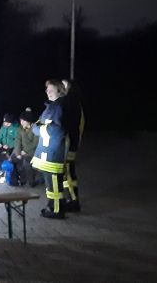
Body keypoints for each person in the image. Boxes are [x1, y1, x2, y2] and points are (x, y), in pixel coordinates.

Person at [31, 79, 69, 219]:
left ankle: (57, 210)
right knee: (51, 184)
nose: (48, 92)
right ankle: (52, 206)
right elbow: (36, 125)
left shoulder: (59, 107)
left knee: (54, 184)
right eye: (47, 90)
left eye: (51, 90)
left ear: (60, 91)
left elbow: (57, 130)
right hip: (47, 152)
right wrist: (39, 128)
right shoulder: (51, 107)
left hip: (53, 152)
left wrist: (39, 128)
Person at [61, 79, 85, 212]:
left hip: (68, 143)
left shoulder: (69, 102)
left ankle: (74, 201)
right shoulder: (75, 103)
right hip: (72, 142)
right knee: (68, 172)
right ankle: (71, 198)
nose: (61, 87)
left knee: (69, 172)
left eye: (64, 85)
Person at [13, 109, 42, 187]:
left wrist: (25, 151)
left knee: (26, 162)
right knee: (12, 159)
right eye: (20, 120)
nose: (21, 122)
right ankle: (18, 180)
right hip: (22, 151)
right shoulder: (20, 129)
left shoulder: (35, 129)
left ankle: (31, 182)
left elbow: (35, 144)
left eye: (23, 120)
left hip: (33, 152)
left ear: (28, 121)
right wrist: (18, 153)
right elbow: (17, 141)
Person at [0, 113, 19, 181]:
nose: (6, 124)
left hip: (12, 147)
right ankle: (0, 171)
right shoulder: (3, 127)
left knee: (9, 159)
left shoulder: (15, 128)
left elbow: (18, 140)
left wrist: (9, 145)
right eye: (5, 122)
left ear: (11, 122)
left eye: (8, 123)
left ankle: (10, 175)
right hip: (3, 146)